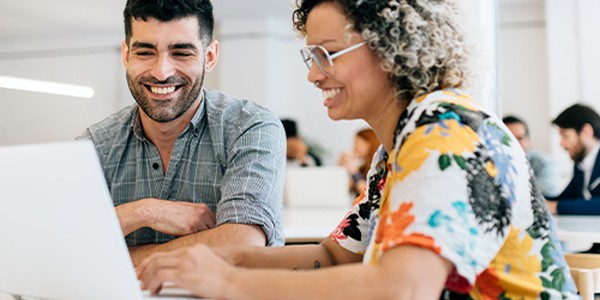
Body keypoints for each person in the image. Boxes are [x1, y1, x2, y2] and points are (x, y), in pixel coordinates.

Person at [138, 0, 578, 298]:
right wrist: (220, 257)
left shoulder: (448, 130)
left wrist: (230, 281)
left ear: (392, 48)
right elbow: (330, 257)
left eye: (327, 53)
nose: (314, 75)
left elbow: (403, 288)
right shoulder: (397, 148)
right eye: (311, 56)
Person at [77, 0, 286, 266]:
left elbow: (242, 245)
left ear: (209, 57)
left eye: (181, 53)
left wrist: (116, 258)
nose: (161, 72)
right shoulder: (94, 146)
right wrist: (144, 211)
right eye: (145, 52)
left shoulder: (249, 127)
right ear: (126, 55)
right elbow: (64, 244)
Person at [546, 104, 600, 215]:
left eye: (565, 136)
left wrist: (557, 207)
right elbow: (565, 198)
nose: (562, 144)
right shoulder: (581, 165)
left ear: (586, 132)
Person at [502, 115, 561, 197]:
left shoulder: (546, 163)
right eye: (508, 139)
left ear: (528, 140)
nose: (514, 144)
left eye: (519, 138)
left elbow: (547, 193)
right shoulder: (490, 164)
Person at [338, 128, 379, 196]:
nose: (354, 147)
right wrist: (343, 170)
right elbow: (345, 189)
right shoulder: (361, 167)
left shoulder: (378, 167)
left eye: (357, 143)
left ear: (369, 144)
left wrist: (355, 172)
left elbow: (369, 194)